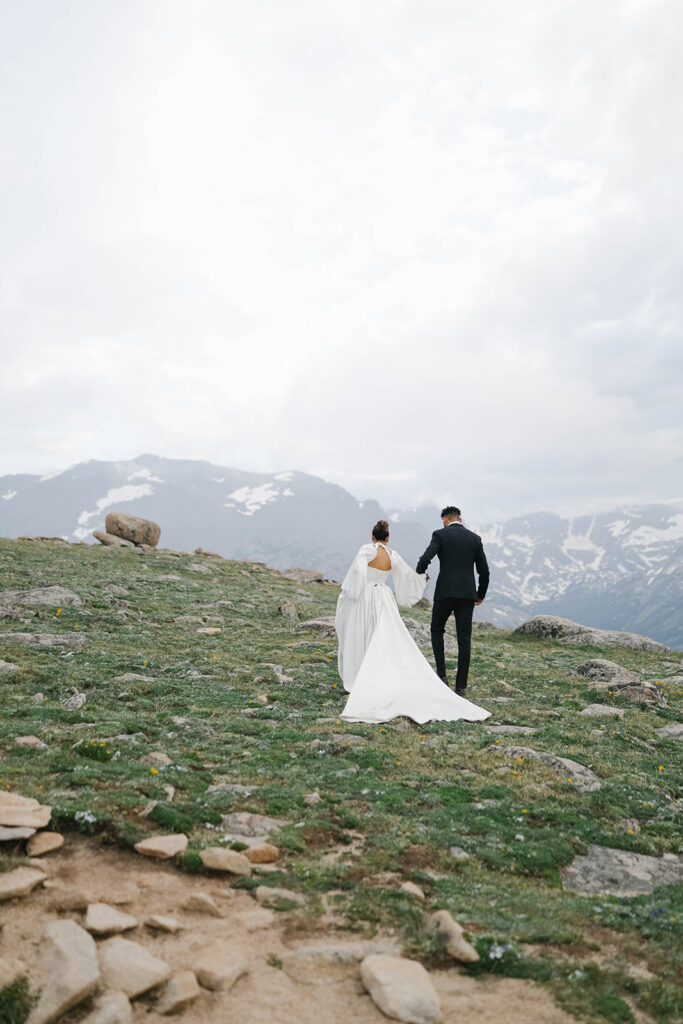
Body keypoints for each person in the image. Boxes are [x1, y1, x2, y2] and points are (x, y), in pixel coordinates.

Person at [335, 519, 490, 725]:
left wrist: (352, 592)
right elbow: (407, 575)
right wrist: (422, 579)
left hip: (365, 596)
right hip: (384, 597)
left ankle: (361, 674)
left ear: (372, 536)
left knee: (363, 632)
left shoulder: (366, 550)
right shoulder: (393, 555)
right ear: (388, 538)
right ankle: (381, 673)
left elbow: (357, 573)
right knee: (384, 637)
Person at [416, 505, 490, 696]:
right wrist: (480, 594)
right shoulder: (475, 539)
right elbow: (484, 571)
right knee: (464, 639)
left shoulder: (440, 535)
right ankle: (461, 687)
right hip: (467, 594)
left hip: (445, 591)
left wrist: (420, 572)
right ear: (460, 519)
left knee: (436, 629)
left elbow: (426, 558)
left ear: (445, 520)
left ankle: (442, 676)